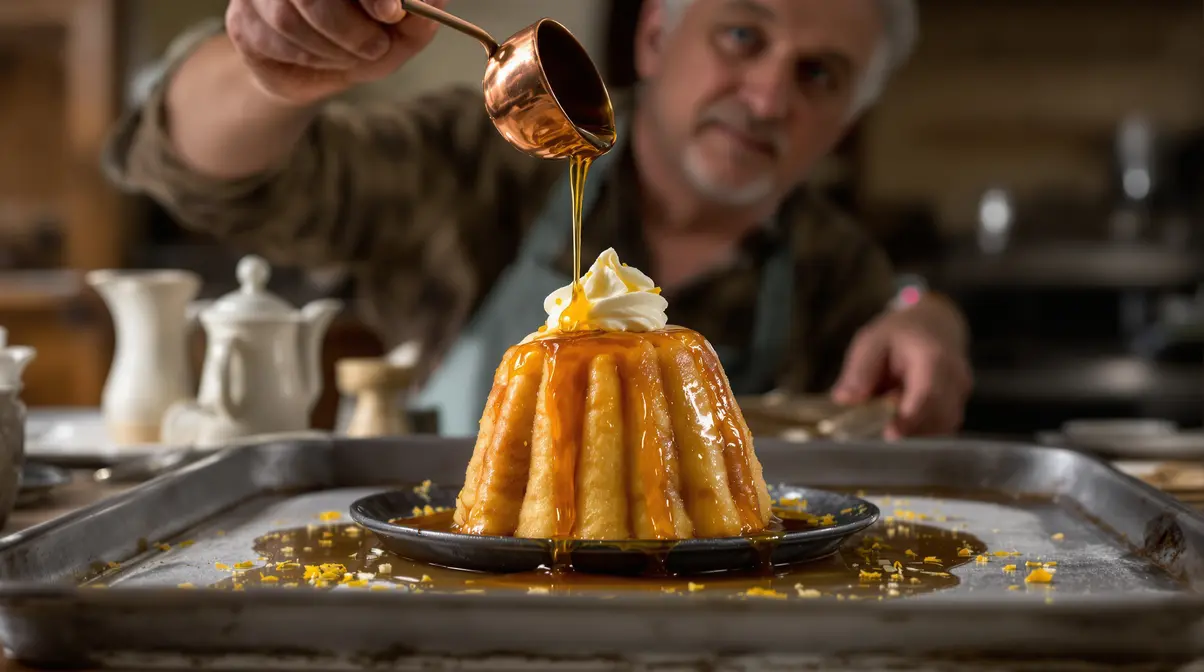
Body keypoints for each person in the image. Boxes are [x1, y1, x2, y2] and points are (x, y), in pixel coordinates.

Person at [102, 0, 972, 438]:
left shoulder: (832, 265)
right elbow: (203, 176)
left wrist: (919, 315)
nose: (768, 96)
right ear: (657, 39)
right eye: (743, 36)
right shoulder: (472, 167)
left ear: (849, 118)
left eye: (819, 75)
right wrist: (271, 65)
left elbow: (896, 316)